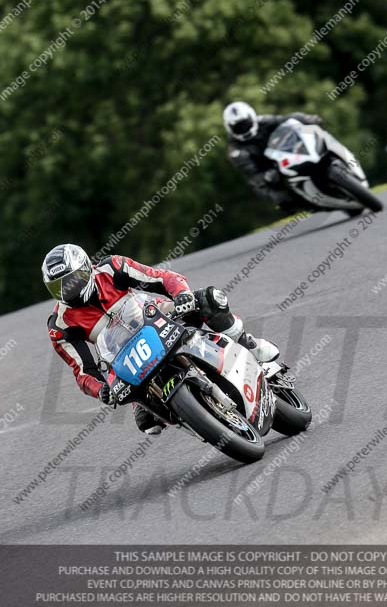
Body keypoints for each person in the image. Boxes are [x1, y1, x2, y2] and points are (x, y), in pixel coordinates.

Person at [42, 244, 279, 435]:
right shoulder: (60, 325)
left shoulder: (111, 268)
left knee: (209, 299)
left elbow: (161, 277)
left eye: (71, 281)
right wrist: (101, 389)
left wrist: (182, 295)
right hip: (126, 360)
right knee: (148, 423)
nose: (67, 291)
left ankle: (247, 343)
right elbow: (83, 371)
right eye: (58, 288)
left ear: (86, 269)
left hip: (157, 318)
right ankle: (193, 417)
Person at [223, 101, 322, 211]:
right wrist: (265, 177)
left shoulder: (264, 121)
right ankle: (307, 205)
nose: (243, 129)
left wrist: (307, 119)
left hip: (285, 154)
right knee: (280, 198)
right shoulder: (236, 151)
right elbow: (252, 174)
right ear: (230, 128)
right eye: (238, 127)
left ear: (252, 117)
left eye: (245, 124)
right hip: (268, 170)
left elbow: (287, 119)